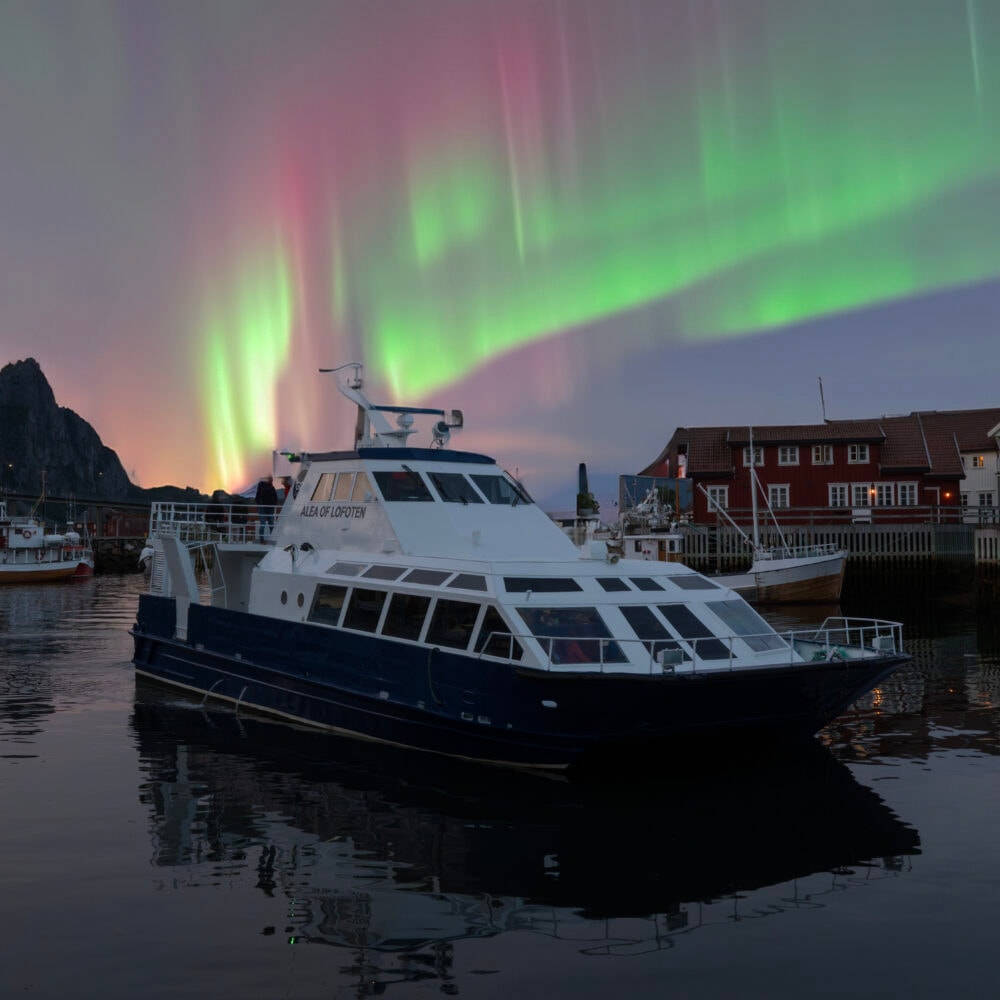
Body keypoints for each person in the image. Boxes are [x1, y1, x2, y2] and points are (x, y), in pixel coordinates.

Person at [255, 476, 278, 540]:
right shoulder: (262, 487)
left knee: (270, 524)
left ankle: (271, 539)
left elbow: (275, 497)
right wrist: (260, 505)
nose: (271, 481)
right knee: (264, 524)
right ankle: (262, 539)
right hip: (263, 508)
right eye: (271, 480)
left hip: (269, 508)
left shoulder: (271, 487)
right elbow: (257, 497)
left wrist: (273, 505)